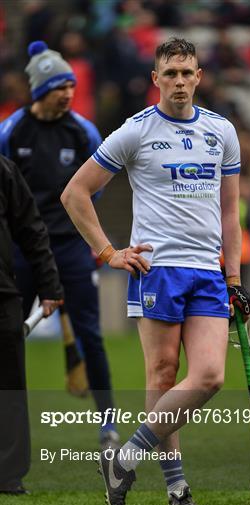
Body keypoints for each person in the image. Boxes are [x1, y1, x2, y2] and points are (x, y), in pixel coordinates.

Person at [61, 37, 250, 505]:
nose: (181, 82)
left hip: (208, 271)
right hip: (156, 269)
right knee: (163, 375)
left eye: (188, 73)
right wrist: (108, 252)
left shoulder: (221, 131)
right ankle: (176, 487)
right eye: (171, 74)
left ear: (199, 76)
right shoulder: (136, 131)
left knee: (208, 376)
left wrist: (234, 277)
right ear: (156, 79)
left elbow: (231, 214)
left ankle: (124, 458)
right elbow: (75, 193)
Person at [0, 41, 118, 450]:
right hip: (22, 249)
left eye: (70, 85)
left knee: (91, 334)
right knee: (8, 337)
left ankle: (108, 425)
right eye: (58, 87)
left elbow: (94, 192)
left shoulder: (83, 131)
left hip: (70, 248)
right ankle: (10, 431)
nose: (68, 93)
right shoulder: (12, 132)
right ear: (39, 91)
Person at [0, 155, 62, 494]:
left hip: (3, 295)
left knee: (8, 386)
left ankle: (8, 473)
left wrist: (49, 285)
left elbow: (31, 229)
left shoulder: (4, 170)